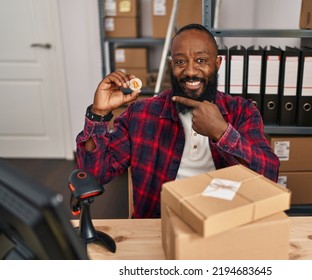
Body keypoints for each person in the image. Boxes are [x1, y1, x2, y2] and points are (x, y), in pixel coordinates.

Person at [76, 23, 280, 218]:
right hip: (159, 226)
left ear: (217, 64)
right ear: (171, 65)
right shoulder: (141, 114)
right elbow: (95, 174)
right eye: (181, 62)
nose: (191, 71)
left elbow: (269, 175)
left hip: (222, 223)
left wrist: (222, 133)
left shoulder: (242, 111)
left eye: (201, 60)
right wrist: (98, 113)